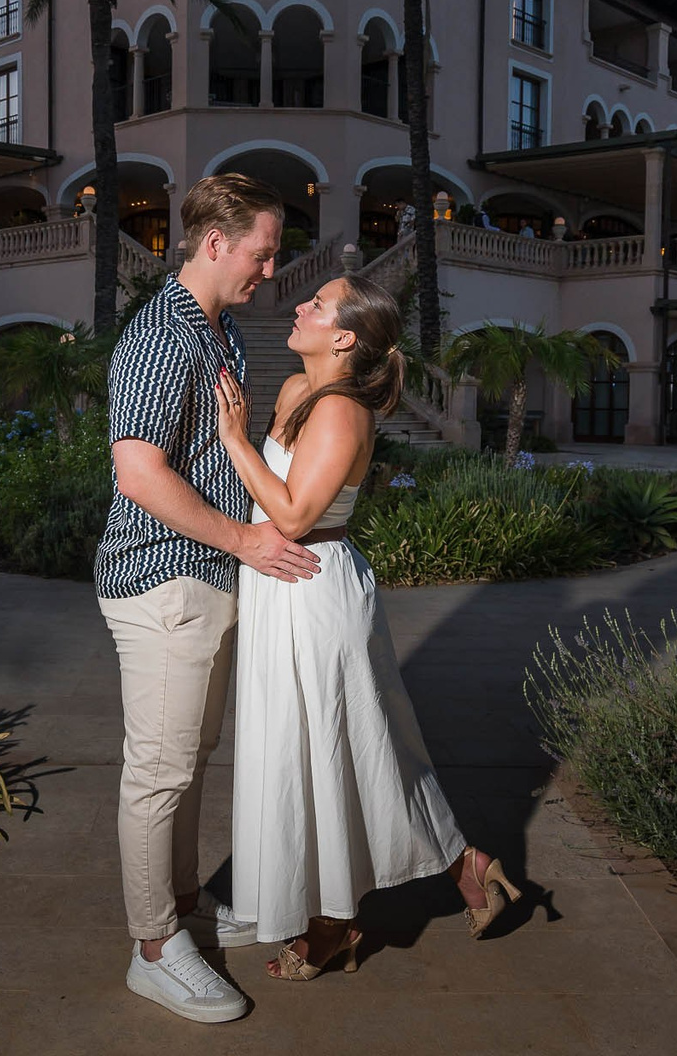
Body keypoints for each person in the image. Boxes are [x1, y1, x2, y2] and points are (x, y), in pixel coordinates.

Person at [209, 275, 522, 981]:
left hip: (314, 588)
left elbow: (292, 516)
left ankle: (332, 925)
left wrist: (233, 438)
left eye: (317, 305)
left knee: (337, 751)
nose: (299, 306)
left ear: (345, 336)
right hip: (277, 586)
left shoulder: (343, 412)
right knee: (325, 750)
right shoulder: (296, 391)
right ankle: (458, 867)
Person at [96, 173, 319, 1025]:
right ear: (216, 244)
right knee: (159, 772)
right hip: (163, 580)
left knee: (188, 761)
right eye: (263, 254)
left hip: (205, 576)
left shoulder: (214, 331)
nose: (270, 270)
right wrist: (249, 542)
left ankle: (183, 907)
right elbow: (139, 471)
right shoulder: (164, 335)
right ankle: (154, 949)